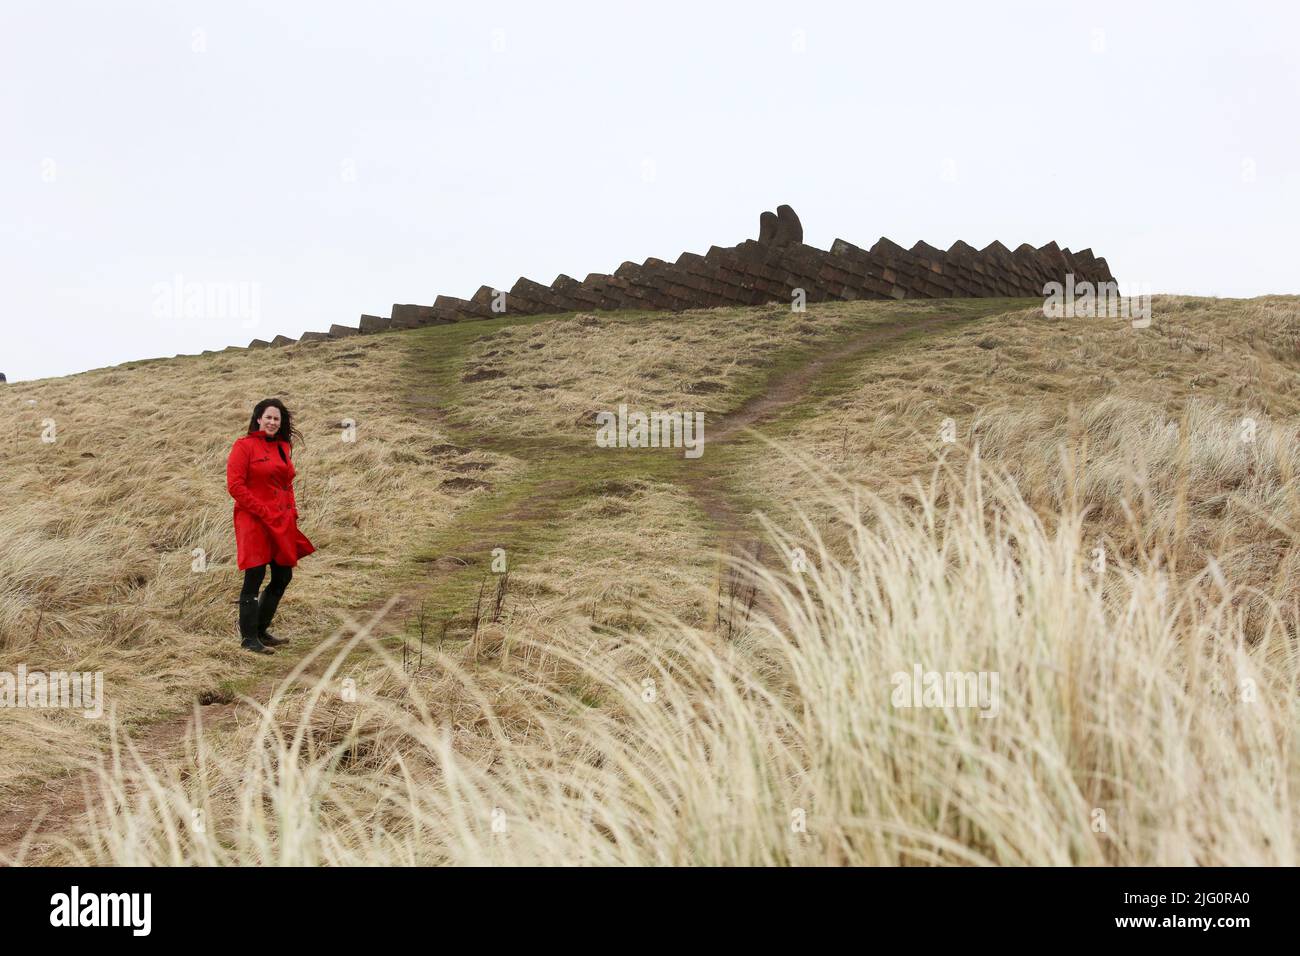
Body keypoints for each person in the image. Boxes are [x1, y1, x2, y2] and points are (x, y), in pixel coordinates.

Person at [226, 398, 315, 654]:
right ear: (258, 419)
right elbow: (236, 486)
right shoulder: (244, 446)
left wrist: (291, 511)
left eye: (277, 419)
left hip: (281, 520)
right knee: (254, 575)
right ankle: (249, 639)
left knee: (283, 575)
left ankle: (261, 630)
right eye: (268, 418)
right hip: (253, 520)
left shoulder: (283, 446)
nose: (273, 422)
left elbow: (286, 484)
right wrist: (263, 511)